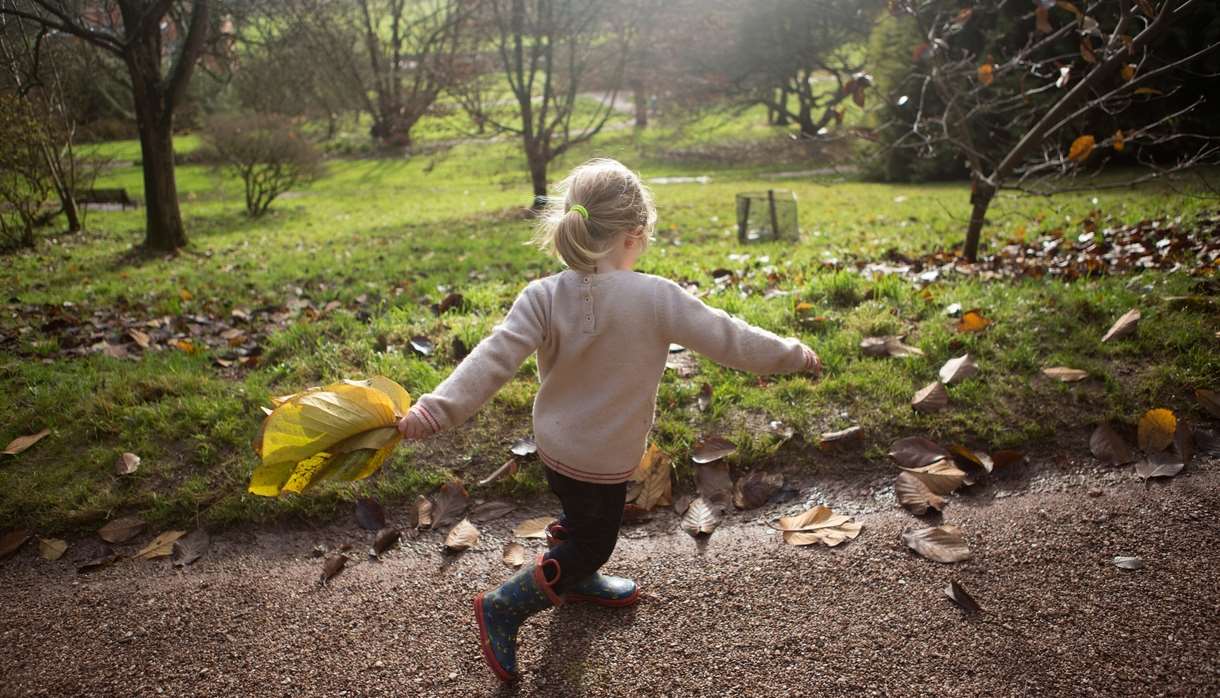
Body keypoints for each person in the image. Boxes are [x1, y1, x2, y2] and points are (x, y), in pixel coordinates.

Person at [396, 157, 821, 682]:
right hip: (606, 455)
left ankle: (575, 575)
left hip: (555, 449)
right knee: (598, 537)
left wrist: (433, 411)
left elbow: (490, 360)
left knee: (582, 518)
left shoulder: (543, 295)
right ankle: (508, 604)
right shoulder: (658, 298)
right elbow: (732, 339)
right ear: (635, 235)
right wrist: (794, 353)